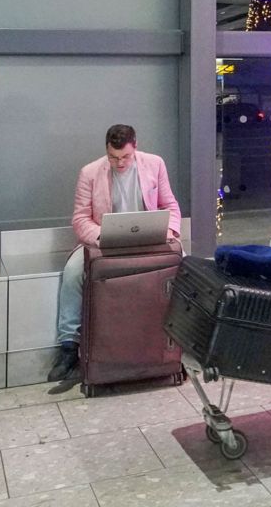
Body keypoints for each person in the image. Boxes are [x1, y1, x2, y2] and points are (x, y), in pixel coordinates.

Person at [47, 124, 182, 382]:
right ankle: (68, 346)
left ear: (135, 147)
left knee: (182, 263)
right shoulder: (90, 173)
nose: (119, 163)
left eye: (125, 157)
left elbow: (170, 206)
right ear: (107, 151)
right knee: (74, 273)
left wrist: (171, 230)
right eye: (113, 157)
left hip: (147, 238)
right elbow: (80, 219)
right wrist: (100, 235)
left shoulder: (154, 164)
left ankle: (176, 340)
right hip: (102, 241)